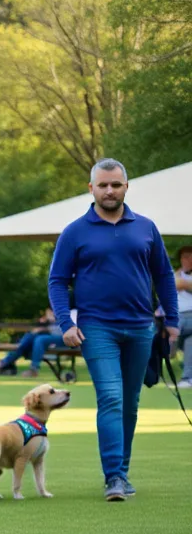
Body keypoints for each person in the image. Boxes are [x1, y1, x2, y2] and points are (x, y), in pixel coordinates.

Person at [48, 158, 179, 501]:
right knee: (111, 397)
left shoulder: (146, 228)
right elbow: (58, 280)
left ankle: (122, 471)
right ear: (91, 188)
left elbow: (165, 276)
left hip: (141, 328)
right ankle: (115, 477)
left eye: (115, 185)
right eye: (103, 185)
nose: (109, 190)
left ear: (126, 187)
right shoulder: (75, 231)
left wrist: (173, 321)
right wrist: (66, 322)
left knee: (130, 403)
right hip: (96, 329)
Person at [0, 307, 63, 378]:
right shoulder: (56, 312)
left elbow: (61, 331)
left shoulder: (69, 313)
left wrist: (46, 326)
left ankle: (31, 368)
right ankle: (7, 362)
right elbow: (39, 328)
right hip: (47, 336)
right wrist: (45, 322)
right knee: (29, 336)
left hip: (60, 339)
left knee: (38, 339)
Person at [176, 245, 192, 390]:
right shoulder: (177, 274)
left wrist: (181, 281)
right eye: (183, 257)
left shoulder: (178, 276)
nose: (185, 260)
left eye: (189, 256)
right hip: (176, 317)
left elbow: (184, 285)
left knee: (190, 344)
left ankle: (187, 378)